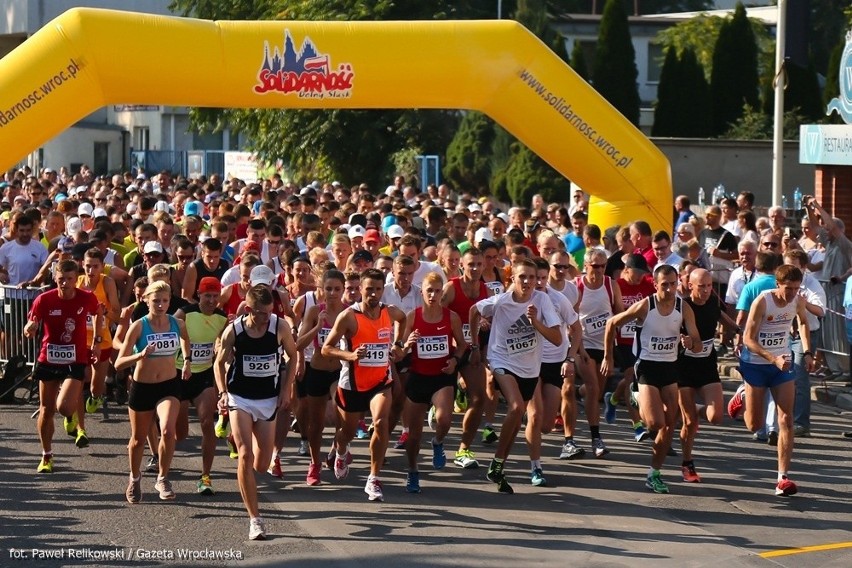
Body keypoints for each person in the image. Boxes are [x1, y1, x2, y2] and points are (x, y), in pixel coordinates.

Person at [602, 264, 702, 494]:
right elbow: (611, 323)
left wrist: (690, 343)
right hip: (646, 366)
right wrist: (608, 356)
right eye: (664, 284)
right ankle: (634, 397)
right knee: (655, 423)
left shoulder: (683, 307)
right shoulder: (646, 306)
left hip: (670, 368)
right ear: (655, 285)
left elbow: (696, 340)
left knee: (669, 425)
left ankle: (653, 473)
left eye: (673, 284)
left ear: (679, 284)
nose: (669, 289)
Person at [469, 259, 563, 493]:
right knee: (516, 408)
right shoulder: (501, 301)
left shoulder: (542, 300)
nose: (528, 282)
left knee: (515, 419)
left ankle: (499, 465)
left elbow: (557, 338)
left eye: (532, 277)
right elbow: (473, 310)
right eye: (523, 277)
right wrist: (473, 345)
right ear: (512, 280)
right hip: (501, 360)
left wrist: (535, 322)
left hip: (530, 369)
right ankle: (497, 461)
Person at [215, 285, 297, 539]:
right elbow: (218, 363)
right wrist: (223, 393)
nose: (266, 318)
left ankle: (242, 434)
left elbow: (293, 357)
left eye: (270, 312)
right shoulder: (235, 330)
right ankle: (255, 519)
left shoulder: (279, 326)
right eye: (261, 313)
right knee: (245, 456)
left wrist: (286, 390)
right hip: (240, 397)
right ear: (249, 309)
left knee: (262, 465)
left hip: (268, 399)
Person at [321, 268, 408, 502]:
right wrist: (350, 356)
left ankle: (374, 478)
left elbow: (403, 319)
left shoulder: (388, 312)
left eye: (378, 289)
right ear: (360, 289)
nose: (373, 294)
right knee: (346, 432)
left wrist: (398, 343)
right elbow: (326, 348)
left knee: (381, 422)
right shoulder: (348, 316)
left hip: (380, 381)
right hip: (352, 384)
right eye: (369, 289)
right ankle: (340, 451)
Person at [738, 265, 815, 496]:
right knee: (755, 425)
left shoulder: (798, 300)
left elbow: (802, 322)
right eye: (787, 288)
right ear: (777, 284)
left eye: (796, 288)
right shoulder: (763, 301)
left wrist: (808, 352)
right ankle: (743, 394)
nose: (792, 293)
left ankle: (782, 478)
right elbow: (748, 339)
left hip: (782, 365)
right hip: (756, 364)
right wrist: (772, 359)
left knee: (786, 419)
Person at [115, 281, 191, 503]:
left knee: (168, 430)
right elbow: (119, 363)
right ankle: (135, 477)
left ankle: (163, 477)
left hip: (169, 385)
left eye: (165, 301)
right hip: (143, 387)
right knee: (138, 440)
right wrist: (139, 356)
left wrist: (186, 361)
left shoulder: (177, 323)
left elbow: (186, 339)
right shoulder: (139, 326)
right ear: (146, 300)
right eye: (156, 300)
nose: (160, 305)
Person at [24, 260, 102, 471]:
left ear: (76, 279)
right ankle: (46, 456)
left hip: (75, 359)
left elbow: (97, 314)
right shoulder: (44, 299)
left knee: (64, 406)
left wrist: (96, 341)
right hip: (48, 358)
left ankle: (71, 416)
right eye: (61, 280)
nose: (65, 284)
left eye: (69, 279)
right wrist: (30, 327)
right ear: (54, 279)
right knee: (46, 410)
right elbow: (32, 322)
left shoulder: (86, 298)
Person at [399, 272, 467, 493]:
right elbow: (399, 350)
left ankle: (438, 442)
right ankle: (412, 471)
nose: (433, 295)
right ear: (422, 292)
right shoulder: (413, 316)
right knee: (413, 436)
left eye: (438, 291)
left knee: (444, 419)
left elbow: (462, 344)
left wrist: (455, 361)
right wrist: (408, 343)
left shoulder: (451, 317)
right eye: (429, 290)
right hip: (418, 377)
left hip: (441, 376)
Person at [677, 269, 738, 482]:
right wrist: (681, 341)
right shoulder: (683, 306)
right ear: (690, 286)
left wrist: (740, 331)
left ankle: (690, 409)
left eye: (709, 286)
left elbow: (722, 317)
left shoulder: (712, 302)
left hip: (707, 365)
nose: (706, 290)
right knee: (690, 424)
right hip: (684, 368)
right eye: (701, 286)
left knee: (716, 417)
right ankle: (687, 463)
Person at [174, 277, 229, 496]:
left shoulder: (222, 319)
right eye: (208, 296)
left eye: (216, 296)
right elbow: (168, 328)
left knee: (207, 422)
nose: (211, 301)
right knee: (180, 433)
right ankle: (161, 456)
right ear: (199, 294)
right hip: (179, 374)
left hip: (204, 375)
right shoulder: (185, 313)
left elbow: (227, 343)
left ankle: (206, 476)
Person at [295, 269, 347, 486]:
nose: (333, 293)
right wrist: (317, 327)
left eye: (337, 289)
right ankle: (315, 463)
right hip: (316, 370)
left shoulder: (349, 312)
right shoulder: (315, 311)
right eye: (328, 289)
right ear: (321, 289)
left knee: (341, 415)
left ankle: (338, 449)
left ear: (343, 290)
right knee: (315, 424)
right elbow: (298, 344)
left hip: (339, 372)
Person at [569, 248, 622, 459]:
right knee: (593, 386)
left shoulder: (611, 285)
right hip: (584, 344)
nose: (599, 270)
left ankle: (577, 392)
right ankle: (596, 438)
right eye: (595, 266)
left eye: (603, 266)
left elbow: (619, 311)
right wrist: (578, 347)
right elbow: (569, 317)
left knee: (596, 392)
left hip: (605, 345)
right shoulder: (577, 286)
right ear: (586, 266)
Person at [441, 247, 491, 469]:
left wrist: (485, 325)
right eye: (471, 264)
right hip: (448, 350)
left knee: (479, 398)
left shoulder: (485, 290)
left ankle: (463, 449)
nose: (475, 268)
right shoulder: (451, 287)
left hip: (473, 350)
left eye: (479, 264)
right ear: (462, 264)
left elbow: (490, 319)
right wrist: (452, 337)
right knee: (444, 408)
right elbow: (435, 315)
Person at [77, 248, 120, 415]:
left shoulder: (107, 283)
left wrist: (103, 312)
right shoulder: (78, 282)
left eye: (95, 266)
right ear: (82, 264)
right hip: (80, 340)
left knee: (96, 386)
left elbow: (117, 316)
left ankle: (95, 397)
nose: (91, 270)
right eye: (88, 266)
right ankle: (75, 414)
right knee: (79, 379)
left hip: (102, 340)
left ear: (102, 266)